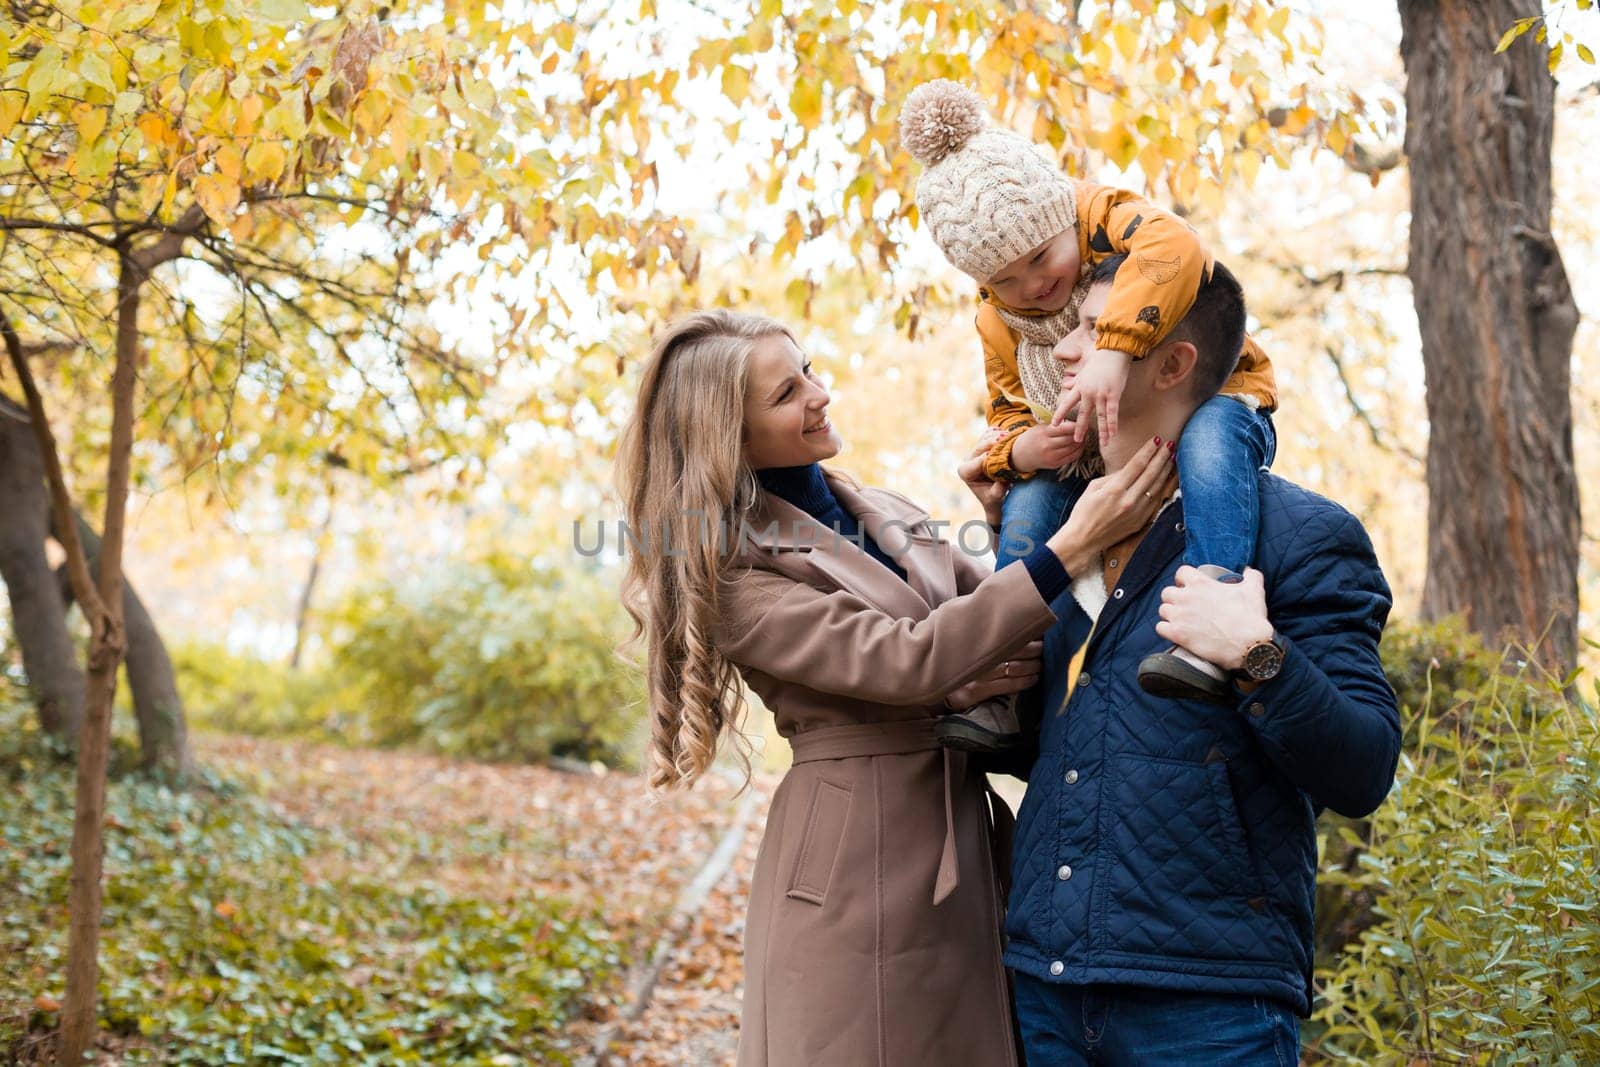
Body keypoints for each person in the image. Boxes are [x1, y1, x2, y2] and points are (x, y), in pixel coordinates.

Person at [613, 308, 1175, 1067]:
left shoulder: (884, 509)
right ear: (733, 439)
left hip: (955, 832)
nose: (820, 394)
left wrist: (1005, 530)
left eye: (807, 369)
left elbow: (1005, 622)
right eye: (787, 394)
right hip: (851, 859)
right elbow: (908, 659)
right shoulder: (732, 575)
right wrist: (1069, 546)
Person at [991, 254, 1401, 1065]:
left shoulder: (1302, 536)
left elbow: (1365, 768)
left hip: (1209, 1001)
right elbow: (1031, 742)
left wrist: (1258, 654)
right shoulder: (1060, 530)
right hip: (1044, 983)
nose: (1068, 350)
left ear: (1175, 362)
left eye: (1096, 330)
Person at [900, 79, 1280, 748]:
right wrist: (1018, 453)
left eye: (1040, 259)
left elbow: (1178, 250)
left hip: (1216, 394)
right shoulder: (999, 319)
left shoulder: (1102, 217)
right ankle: (1013, 686)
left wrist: (1115, 343)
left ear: (1060, 218)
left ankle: (1210, 616)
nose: (1033, 287)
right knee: (1028, 504)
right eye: (1005, 281)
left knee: (1214, 445)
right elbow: (1006, 411)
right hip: (1085, 447)